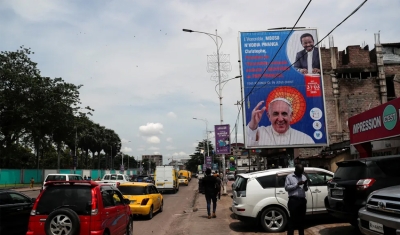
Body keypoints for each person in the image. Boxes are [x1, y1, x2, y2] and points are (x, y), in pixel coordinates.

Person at [246, 98, 315, 146]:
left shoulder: (305, 139)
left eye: (284, 114)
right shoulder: (260, 133)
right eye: (275, 114)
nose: (280, 119)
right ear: (269, 116)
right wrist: (253, 125)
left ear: (290, 116)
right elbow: (248, 145)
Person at [284, 164, 309, 235]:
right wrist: (297, 184)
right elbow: (286, 188)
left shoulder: (303, 176)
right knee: (292, 220)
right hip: (293, 201)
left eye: (302, 172)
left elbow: (306, 189)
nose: (301, 173)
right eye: (300, 172)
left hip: (302, 201)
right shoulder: (289, 177)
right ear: (296, 170)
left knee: (302, 221)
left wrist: (305, 186)